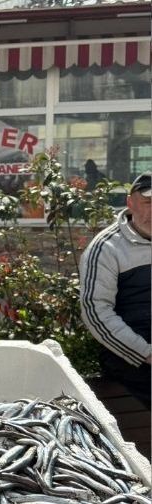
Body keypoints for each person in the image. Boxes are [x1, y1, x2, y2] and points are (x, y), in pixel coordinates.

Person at [80, 172, 151, 407]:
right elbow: (96, 311)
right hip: (132, 358)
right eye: (148, 202)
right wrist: (146, 353)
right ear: (130, 203)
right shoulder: (106, 247)